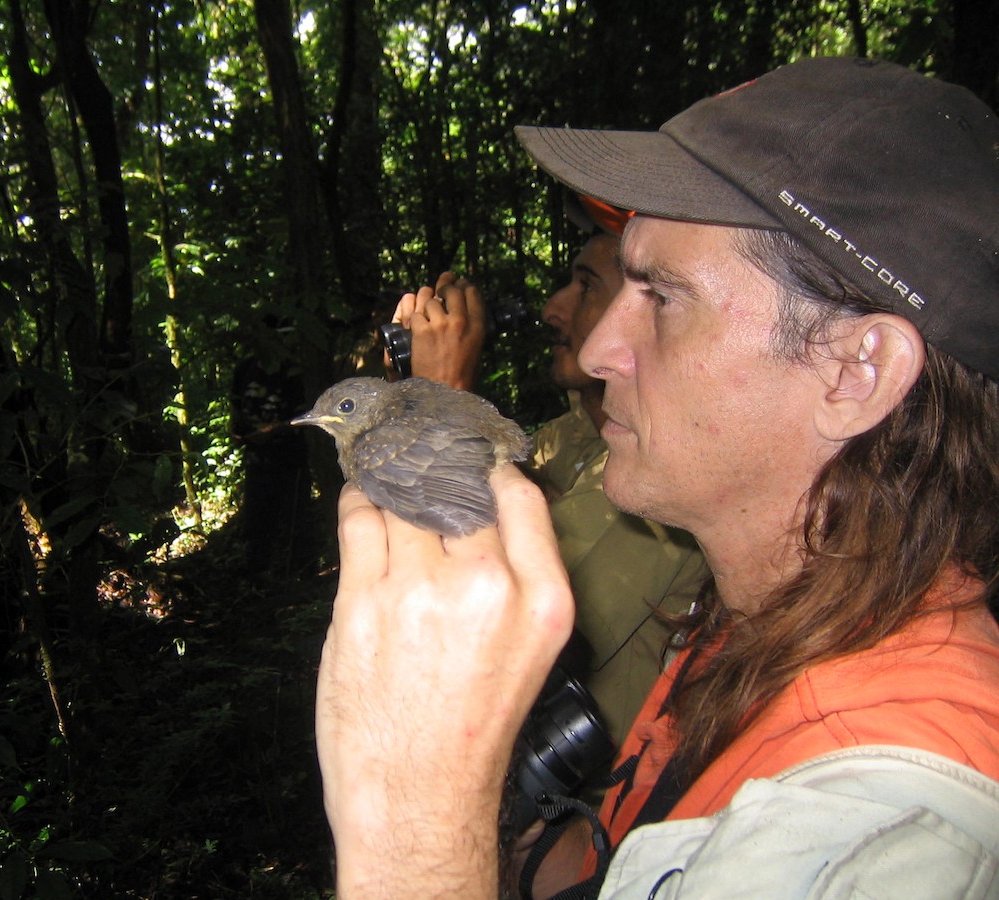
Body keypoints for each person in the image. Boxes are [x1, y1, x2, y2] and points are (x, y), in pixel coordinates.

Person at [315, 56, 999, 898]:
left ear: (855, 371)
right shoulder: (762, 617)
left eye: (663, 297)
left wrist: (414, 819)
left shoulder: (889, 833)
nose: (601, 352)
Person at [389, 203, 707, 749]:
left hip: (587, 814)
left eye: (585, 288)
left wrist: (446, 401)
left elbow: (500, 632)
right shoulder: (574, 433)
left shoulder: (667, 477)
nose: (551, 309)